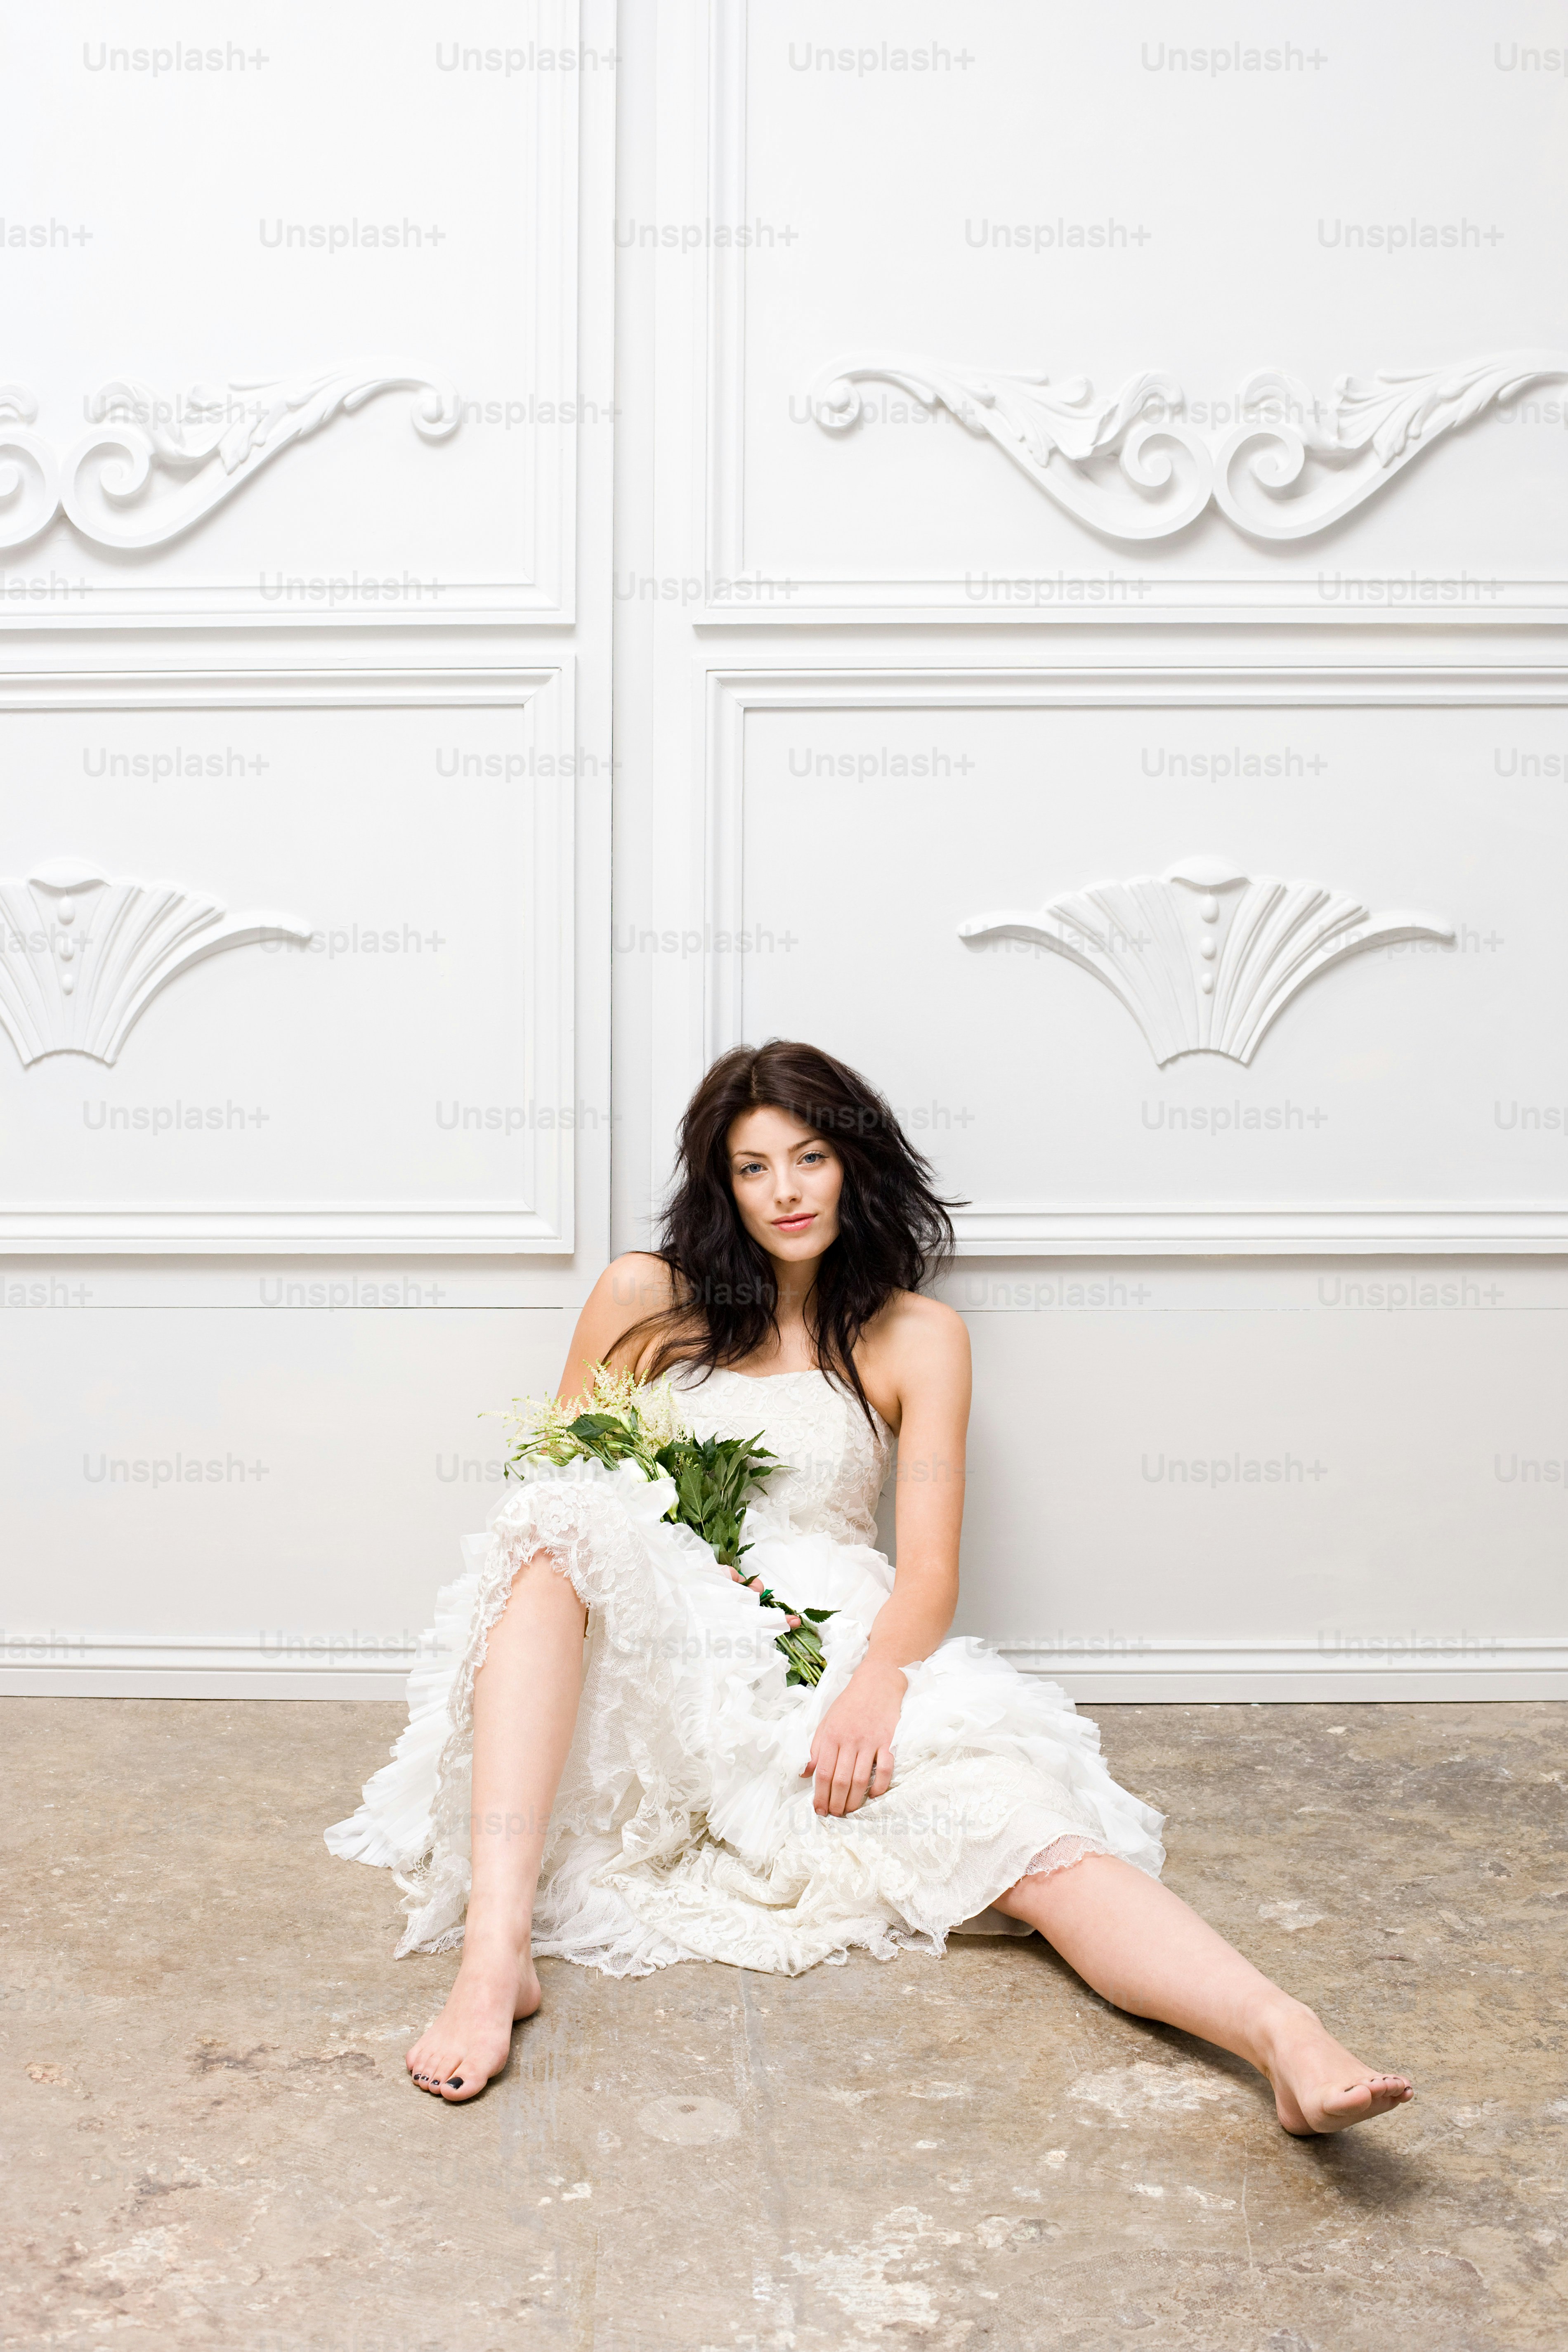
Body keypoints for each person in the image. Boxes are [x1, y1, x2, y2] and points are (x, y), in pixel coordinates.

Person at [328, 1040, 1413, 2132]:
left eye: (810, 1157)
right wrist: (683, 1541)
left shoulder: (918, 1336)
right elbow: (557, 1479)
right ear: (721, 1184)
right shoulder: (643, 1295)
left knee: (1014, 1824)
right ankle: (494, 1960)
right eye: (754, 1167)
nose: (786, 1191)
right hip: (652, 1633)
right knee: (556, 1526)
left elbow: (930, 1572)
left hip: (825, 1641)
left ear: (854, 1162)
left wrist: (875, 1685)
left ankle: (1283, 2033)